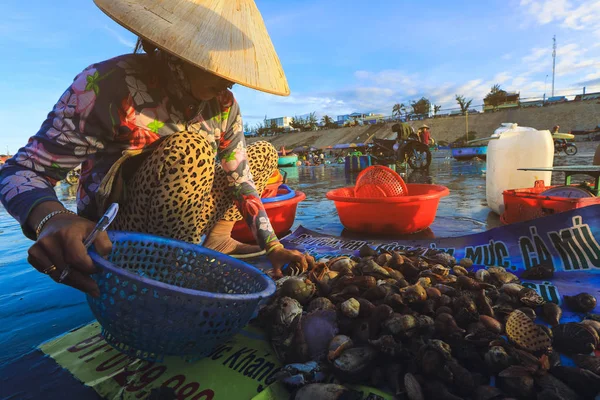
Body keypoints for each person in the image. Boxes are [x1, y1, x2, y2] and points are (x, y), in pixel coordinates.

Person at [0, 0, 312, 297]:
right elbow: (21, 171)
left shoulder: (224, 105)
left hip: (187, 213)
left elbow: (241, 179)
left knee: (264, 153)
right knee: (191, 149)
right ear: (179, 52)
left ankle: (217, 241)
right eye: (217, 65)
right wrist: (52, 217)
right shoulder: (111, 85)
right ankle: (173, 269)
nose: (230, 82)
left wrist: (273, 246)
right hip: (119, 224)